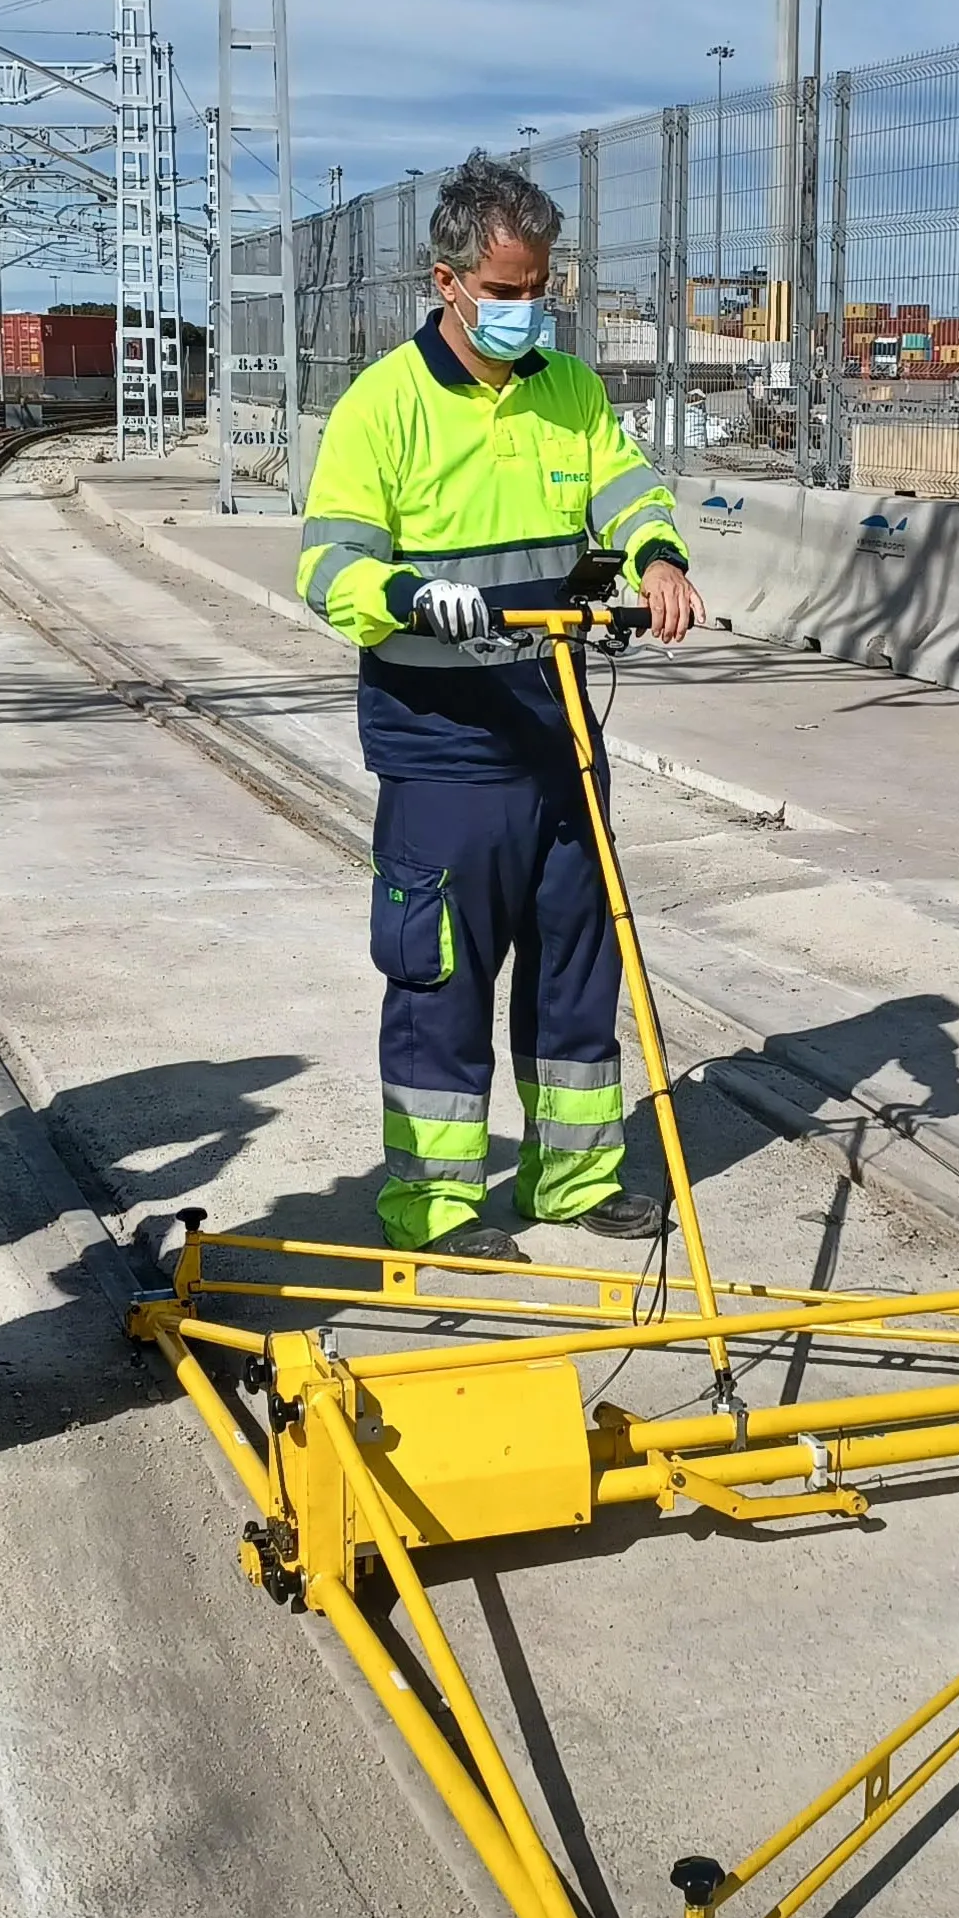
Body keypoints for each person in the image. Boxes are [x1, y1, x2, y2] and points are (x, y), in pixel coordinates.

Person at [296, 152, 704, 1258]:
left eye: (541, 285)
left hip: (560, 729)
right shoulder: (383, 407)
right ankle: (435, 1207)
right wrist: (407, 597)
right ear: (449, 282)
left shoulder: (570, 392)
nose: (530, 305)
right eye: (508, 289)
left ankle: (571, 1180)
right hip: (445, 748)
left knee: (578, 963)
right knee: (440, 978)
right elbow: (327, 567)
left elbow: (627, 489)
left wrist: (658, 557)